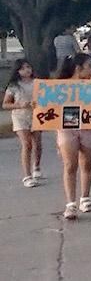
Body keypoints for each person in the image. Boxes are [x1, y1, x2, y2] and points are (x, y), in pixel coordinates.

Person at [55, 54, 91, 219]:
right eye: (89, 66)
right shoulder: (60, 86)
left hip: (88, 124)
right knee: (70, 165)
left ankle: (85, 197)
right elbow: (52, 107)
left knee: (87, 163)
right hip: (68, 124)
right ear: (78, 68)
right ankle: (70, 203)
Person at [3, 59, 41, 187]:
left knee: (37, 143)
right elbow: (5, 104)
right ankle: (27, 175)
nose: (27, 70)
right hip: (20, 116)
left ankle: (36, 167)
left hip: (36, 115)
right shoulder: (14, 86)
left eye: (29, 67)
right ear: (18, 71)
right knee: (27, 144)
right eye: (23, 68)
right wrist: (18, 105)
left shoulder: (37, 83)